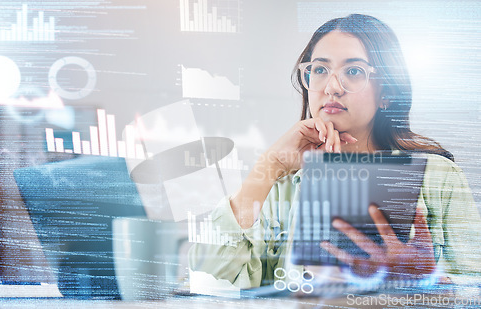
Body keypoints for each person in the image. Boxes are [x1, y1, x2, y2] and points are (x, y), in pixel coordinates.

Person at [189, 14, 481, 289]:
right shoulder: (282, 183)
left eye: (353, 71)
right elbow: (211, 274)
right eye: (319, 70)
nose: (331, 87)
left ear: (387, 94)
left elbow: (473, 293)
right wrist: (269, 166)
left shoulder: (437, 177)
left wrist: (423, 284)